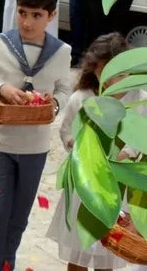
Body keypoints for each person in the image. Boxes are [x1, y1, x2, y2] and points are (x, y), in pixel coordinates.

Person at [0, 0, 72, 271]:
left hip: (35, 146)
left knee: (18, 218)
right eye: (22, 13)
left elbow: (65, 88)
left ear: (52, 15)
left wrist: (53, 105)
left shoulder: (62, 52)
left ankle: (7, 265)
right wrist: (0, 87)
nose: (27, 22)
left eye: (37, 15)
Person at [45, 33, 147, 271]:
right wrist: (78, 148)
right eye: (105, 73)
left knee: (107, 251)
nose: (112, 81)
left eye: (119, 73)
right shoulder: (82, 98)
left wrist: (126, 152)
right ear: (93, 69)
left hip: (117, 188)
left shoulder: (140, 100)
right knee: (79, 252)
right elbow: (67, 131)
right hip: (85, 188)